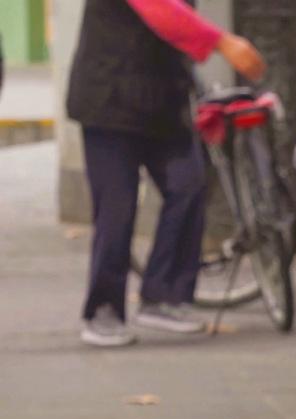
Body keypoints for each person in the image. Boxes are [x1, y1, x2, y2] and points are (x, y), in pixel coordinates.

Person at [66, 0, 266, 346]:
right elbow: (161, 10)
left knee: (189, 186)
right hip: (108, 98)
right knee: (117, 206)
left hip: (161, 100)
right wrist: (222, 42)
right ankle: (104, 309)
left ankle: (164, 295)